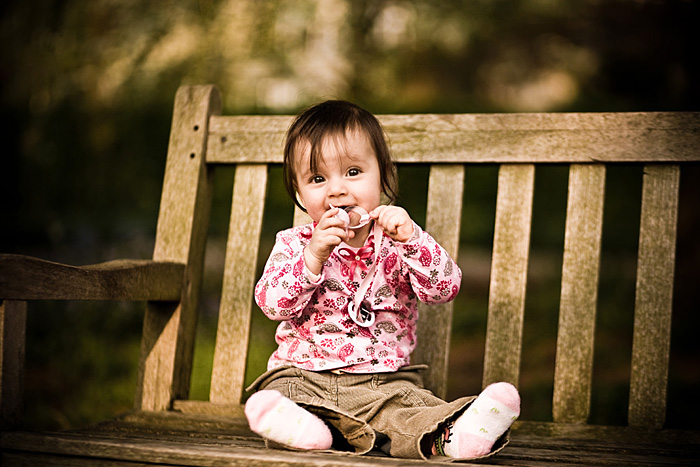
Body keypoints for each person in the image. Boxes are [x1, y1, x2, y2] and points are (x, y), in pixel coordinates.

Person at [245, 100, 519, 461]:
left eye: (354, 171)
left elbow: (445, 288)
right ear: (299, 193)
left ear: (383, 176)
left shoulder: (400, 241)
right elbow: (272, 304)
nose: (337, 190)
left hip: (383, 385)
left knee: (410, 412)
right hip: (304, 376)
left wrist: (412, 241)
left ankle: (454, 435)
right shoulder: (294, 243)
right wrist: (313, 256)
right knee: (278, 396)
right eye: (317, 179)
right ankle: (306, 429)